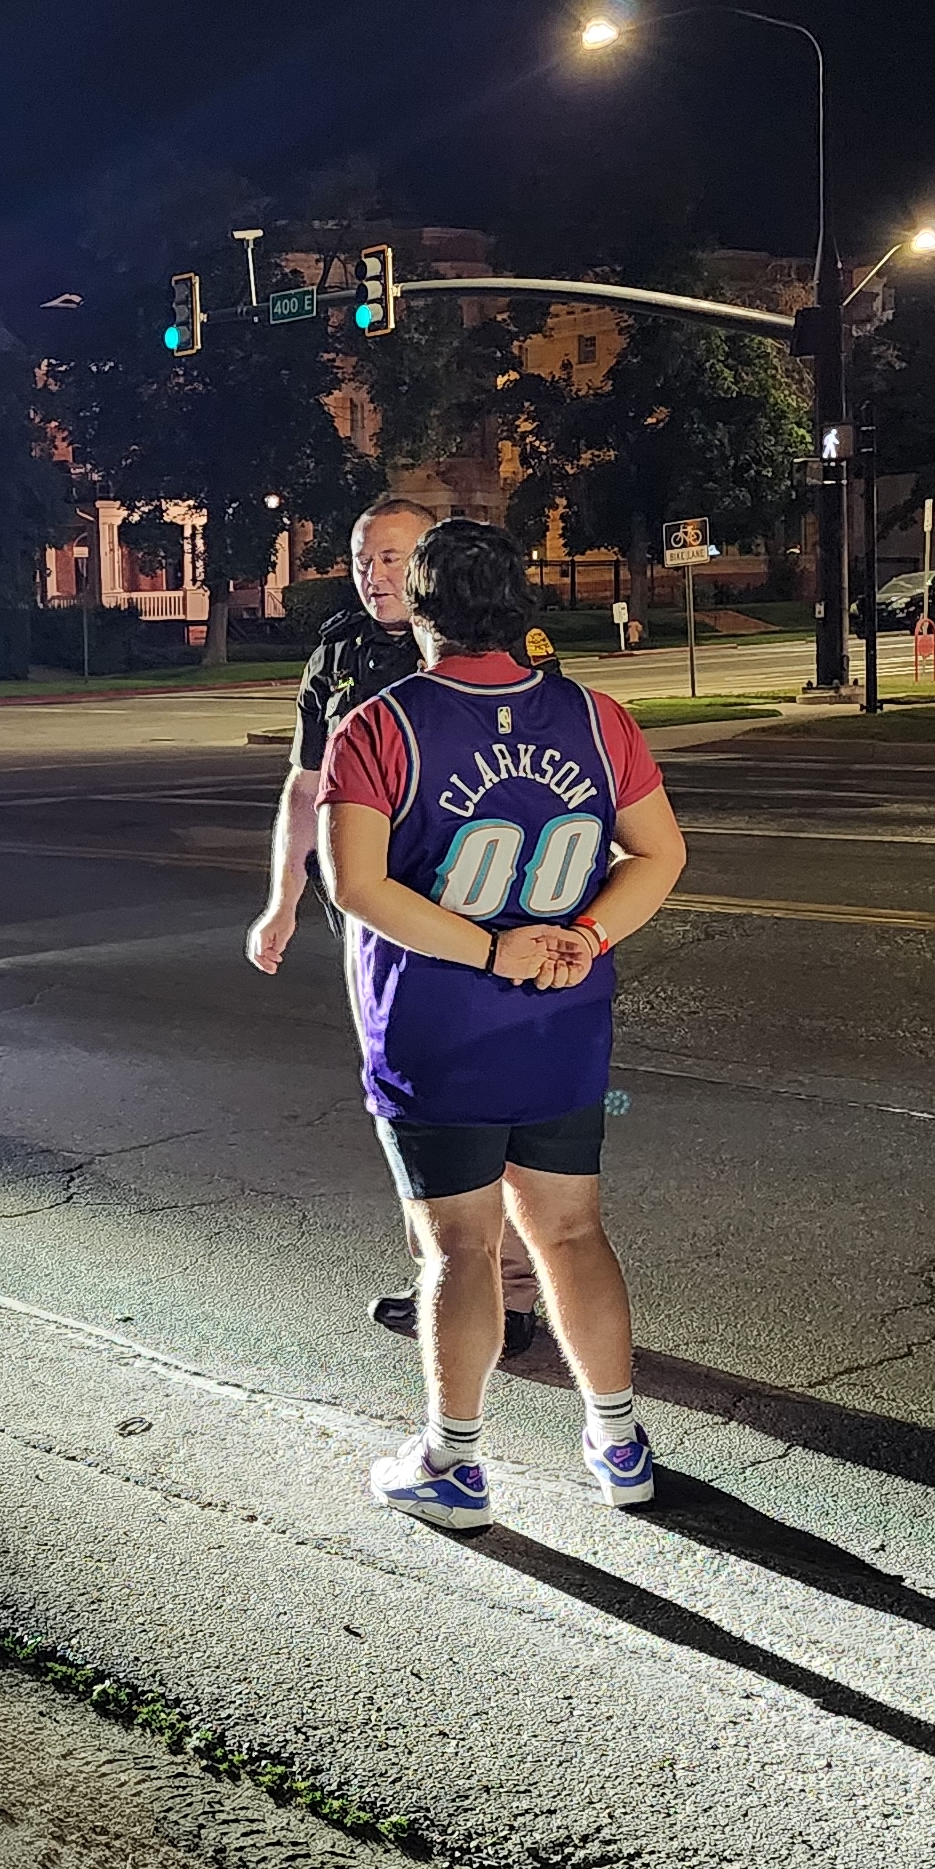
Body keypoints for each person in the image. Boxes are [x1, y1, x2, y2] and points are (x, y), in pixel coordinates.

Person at [316, 518, 689, 1525]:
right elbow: (660, 856)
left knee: (459, 1252)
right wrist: (585, 937)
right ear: (519, 603)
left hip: (436, 1031)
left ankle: (454, 1462)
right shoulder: (597, 718)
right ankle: (618, 1445)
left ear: (420, 608)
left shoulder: (379, 727)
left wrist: (490, 950)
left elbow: (353, 884)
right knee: (571, 1233)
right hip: (560, 1023)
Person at [247, 494, 548, 1357]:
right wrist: (283, 897)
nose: (374, 573)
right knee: (408, 1104)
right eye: (361, 556)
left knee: (498, 1105)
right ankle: (445, 1280)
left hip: (483, 923)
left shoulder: (489, 650)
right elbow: (305, 789)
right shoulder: (337, 654)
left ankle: (514, 1292)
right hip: (377, 928)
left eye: (392, 557)